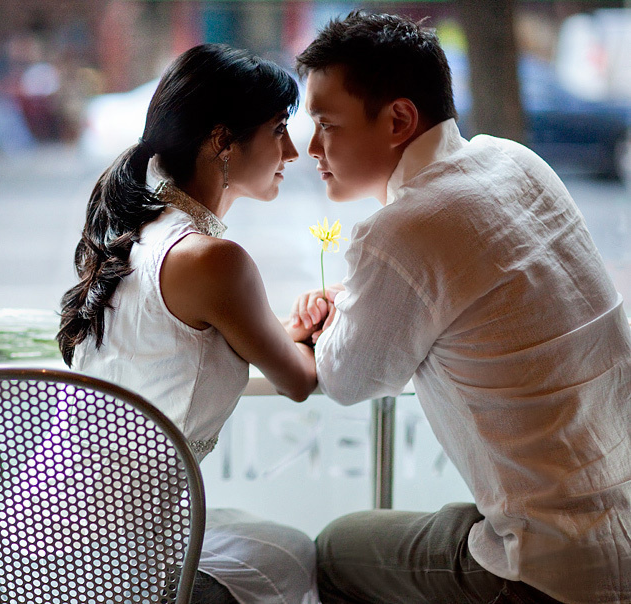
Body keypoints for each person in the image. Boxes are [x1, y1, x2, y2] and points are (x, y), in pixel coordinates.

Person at [290, 10, 631, 604]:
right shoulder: (517, 162)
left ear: (398, 118)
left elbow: (346, 378)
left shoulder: (403, 231)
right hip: (620, 530)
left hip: (552, 572)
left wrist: (325, 320)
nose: (312, 147)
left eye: (327, 124)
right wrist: (358, 302)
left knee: (338, 548)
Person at [58, 43, 320, 604]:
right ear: (222, 140)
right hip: (111, 564)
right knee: (294, 556)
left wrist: (289, 328)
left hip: (47, 533)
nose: (294, 151)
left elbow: (203, 334)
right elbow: (297, 381)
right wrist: (332, 321)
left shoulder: (143, 234)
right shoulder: (209, 259)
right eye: (279, 129)